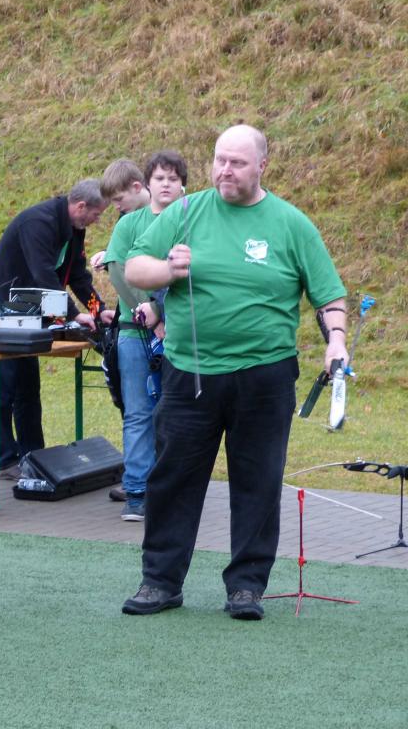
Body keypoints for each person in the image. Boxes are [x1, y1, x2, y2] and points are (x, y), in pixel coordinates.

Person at [121, 124, 347, 621]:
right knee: (173, 480)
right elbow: (134, 267)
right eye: (219, 160)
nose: (224, 170)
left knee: (258, 482)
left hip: (265, 377)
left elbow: (329, 295)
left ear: (262, 165)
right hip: (189, 373)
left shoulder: (291, 224)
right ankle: (160, 582)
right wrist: (168, 271)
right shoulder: (185, 211)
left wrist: (336, 340)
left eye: (237, 162)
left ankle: (246, 587)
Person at [0, 179, 114, 479]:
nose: (97, 220)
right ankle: (6, 459)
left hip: (28, 312)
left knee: (28, 388)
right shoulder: (38, 223)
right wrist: (73, 314)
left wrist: (98, 309)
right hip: (0, 309)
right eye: (97, 214)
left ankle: (34, 457)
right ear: (81, 206)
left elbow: (78, 276)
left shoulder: (75, 228)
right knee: (6, 387)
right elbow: (43, 274)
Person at [98, 153, 188, 520]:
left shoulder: (193, 219)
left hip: (181, 335)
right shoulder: (129, 224)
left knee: (176, 415)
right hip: (135, 334)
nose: (166, 184)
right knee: (138, 414)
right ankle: (137, 491)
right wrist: (149, 315)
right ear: (147, 184)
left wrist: (162, 312)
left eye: (173, 178)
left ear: (183, 184)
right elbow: (119, 272)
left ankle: (172, 491)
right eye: (160, 178)